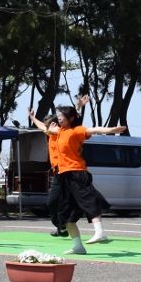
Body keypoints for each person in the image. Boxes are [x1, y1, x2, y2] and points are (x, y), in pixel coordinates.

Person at [49, 104, 127, 253]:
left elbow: (96, 129)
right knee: (65, 216)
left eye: (62, 116)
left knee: (88, 202)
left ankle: (100, 233)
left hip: (77, 173)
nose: (58, 118)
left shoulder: (76, 131)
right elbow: (47, 128)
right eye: (58, 116)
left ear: (70, 118)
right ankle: (78, 246)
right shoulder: (59, 131)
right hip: (63, 176)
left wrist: (111, 130)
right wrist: (35, 119)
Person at [29, 95, 90, 238]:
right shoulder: (51, 134)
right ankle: (61, 226)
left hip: (72, 172)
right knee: (52, 202)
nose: (48, 128)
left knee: (73, 202)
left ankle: (67, 224)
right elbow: (41, 126)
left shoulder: (67, 132)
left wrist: (79, 106)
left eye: (51, 125)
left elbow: (73, 118)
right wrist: (32, 118)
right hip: (58, 173)